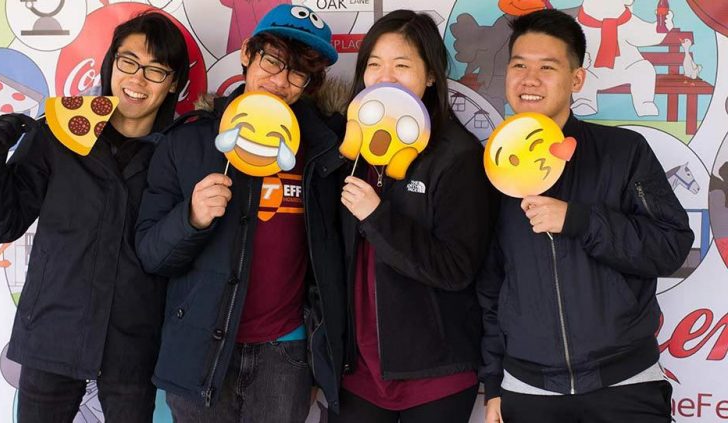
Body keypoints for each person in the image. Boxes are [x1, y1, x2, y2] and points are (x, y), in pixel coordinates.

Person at [477, 9, 695, 423]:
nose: (529, 79)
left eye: (547, 67)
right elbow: (490, 285)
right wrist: (493, 386)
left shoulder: (622, 152)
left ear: (576, 79)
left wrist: (580, 221)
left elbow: (671, 246)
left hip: (626, 382)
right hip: (527, 388)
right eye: (519, 65)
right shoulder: (489, 168)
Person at [0, 12, 189, 423]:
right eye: (128, 62)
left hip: (134, 341)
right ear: (110, 64)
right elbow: (4, 223)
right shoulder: (59, 133)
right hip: (54, 330)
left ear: (174, 83)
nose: (137, 79)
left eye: (156, 70)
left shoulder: (179, 152)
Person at [134, 4, 346, 421]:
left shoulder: (325, 150)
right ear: (248, 52)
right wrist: (190, 219)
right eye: (272, 61)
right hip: (199, 351)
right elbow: (150, 254)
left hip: (285, 354)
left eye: (298, 73)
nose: (281, 81)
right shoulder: (189, 141)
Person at [332, 9, 497, 423]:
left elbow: (457, 268)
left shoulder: (457, 156)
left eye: (401, 65)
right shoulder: (347, 150)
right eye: (374, 64)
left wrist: (377, 216)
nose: (384, 77)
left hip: (435, 374)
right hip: (357, 371)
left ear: (429, 76)